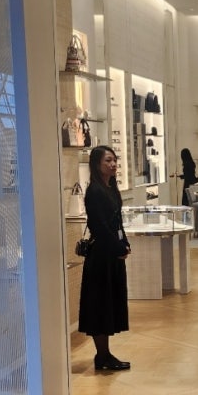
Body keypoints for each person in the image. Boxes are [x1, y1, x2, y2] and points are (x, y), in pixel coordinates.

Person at [78, 145, 131, 371]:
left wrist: (124, 242)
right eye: (108, 160)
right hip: (101, 256)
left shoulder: (111, 188)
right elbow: (99, 226)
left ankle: (105, 355)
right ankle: (102, 356)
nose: (113, 164)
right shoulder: (95, 191)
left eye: (114, 160)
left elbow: (117, 222)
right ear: (97, 164)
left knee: (109, 303)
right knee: (100, 305)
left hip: (112, 253)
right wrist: (117, 247)